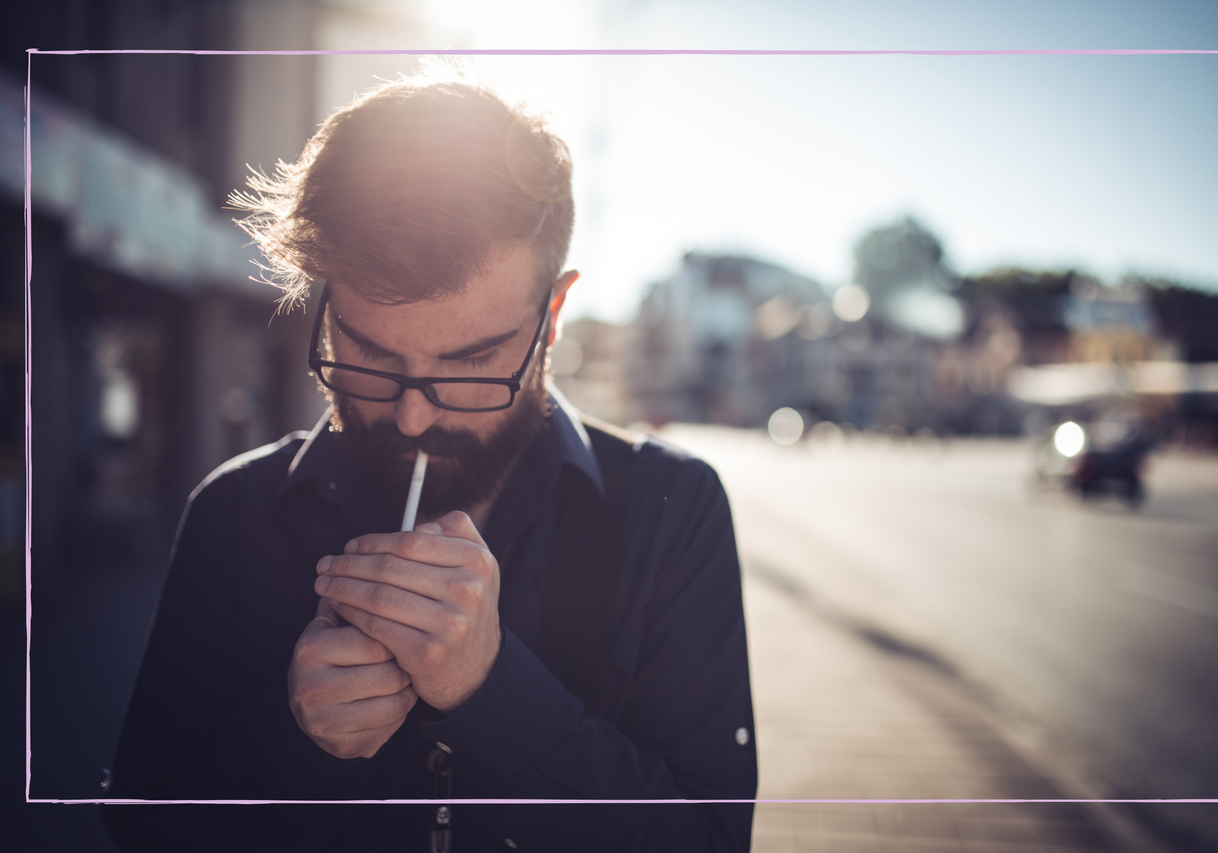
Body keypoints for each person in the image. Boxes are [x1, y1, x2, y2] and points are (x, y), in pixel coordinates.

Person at [101, 69, 756, 852]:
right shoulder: (236, 512)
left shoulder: (671, 511)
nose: (413, 413)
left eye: (470, 363)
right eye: (370, 354)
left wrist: (494, 691)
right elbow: (144, 823)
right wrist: (288, 734)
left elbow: (709, 839)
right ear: (324, 303)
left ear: (551, 316)